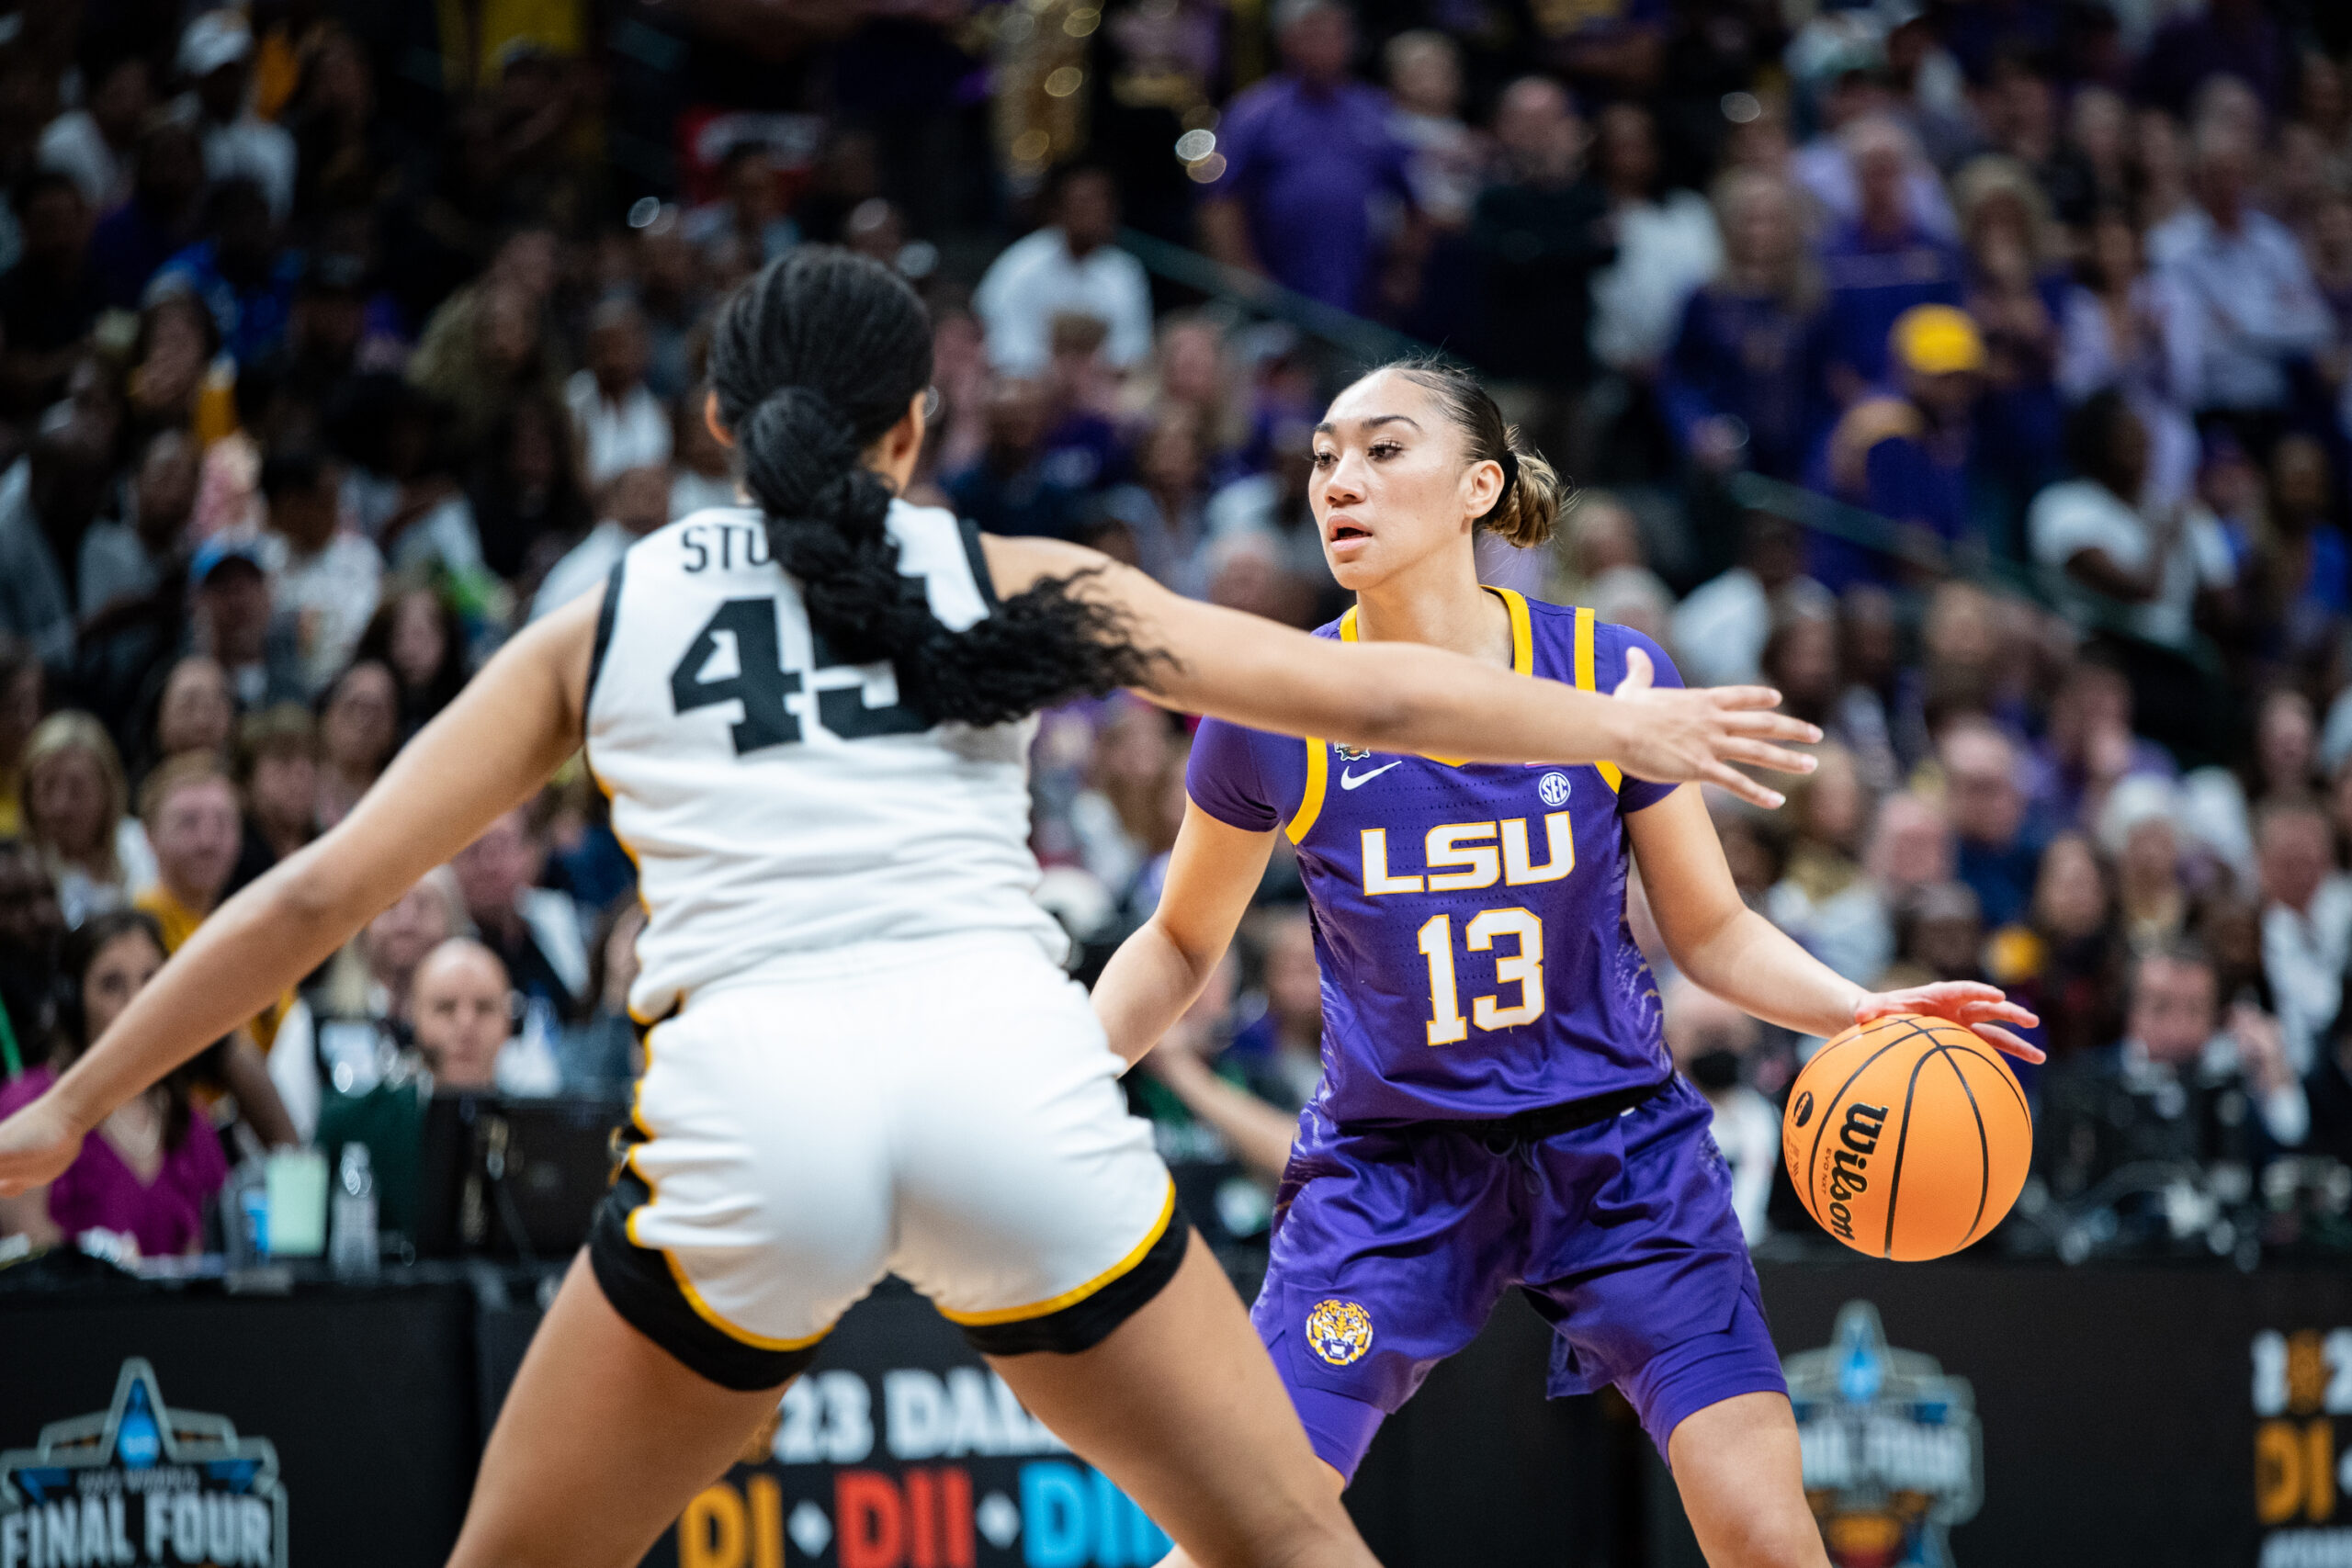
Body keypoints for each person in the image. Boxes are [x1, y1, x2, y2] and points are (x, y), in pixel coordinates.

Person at [0, 249, 1817, 1568]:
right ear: (920, 423)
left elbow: (317, 887)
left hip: (749, 1112)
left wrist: (69, 1103)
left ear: (716, 419)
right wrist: (1615, 719)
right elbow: (1375, 695)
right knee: (1280, 1540)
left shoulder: (603, 617)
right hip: (1002, 1090)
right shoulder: (1009, 569)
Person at [1088, 355, 2034, 1568]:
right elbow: (1175, 939)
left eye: (1382, 449)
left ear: (1479, 485)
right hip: (1396, 1164)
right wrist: (1066, 1065)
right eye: (1324, 454)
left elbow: (1709, 927)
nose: (1339, 478)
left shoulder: (1608, 674)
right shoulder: (1274, 706)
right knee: (1244, 1531)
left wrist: (1858, 1008)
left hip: (1618, 1149)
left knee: (1764, 1530)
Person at [0, 910, 223, 1257]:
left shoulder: (191, 1122)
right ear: (74, 1004)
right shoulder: (28, 1105)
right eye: (111, 984)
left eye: (152, 980)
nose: (138, 1002)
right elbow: (32, 1257)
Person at [1200, 0, 1415, 315]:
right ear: (1286, 39)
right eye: (1314, 33)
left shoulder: (1376, 111)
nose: (1326, 44)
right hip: (1276, 295)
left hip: (1363, 295)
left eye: (1337, 33)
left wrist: (1404, 269)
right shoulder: (1254, 113)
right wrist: (1240, 270)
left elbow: (1415, 198)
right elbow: (1219, 200)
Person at [975, 166, 1154, 379]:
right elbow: (1002, 345)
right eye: (1082, 204)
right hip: (1031, 385)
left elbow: (1132, 351)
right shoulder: (1020, 265)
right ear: (1058, 211)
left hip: (1103, 388)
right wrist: (1056, 375)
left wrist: (1087, 376)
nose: (1091, 213)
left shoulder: (1124, 272)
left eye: (1099, 204)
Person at [20, 712, 154, 927]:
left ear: (108, 790)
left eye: (77, 789)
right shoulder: (14, 871)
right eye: (47, 787)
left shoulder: (144, 848)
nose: (60, 806)